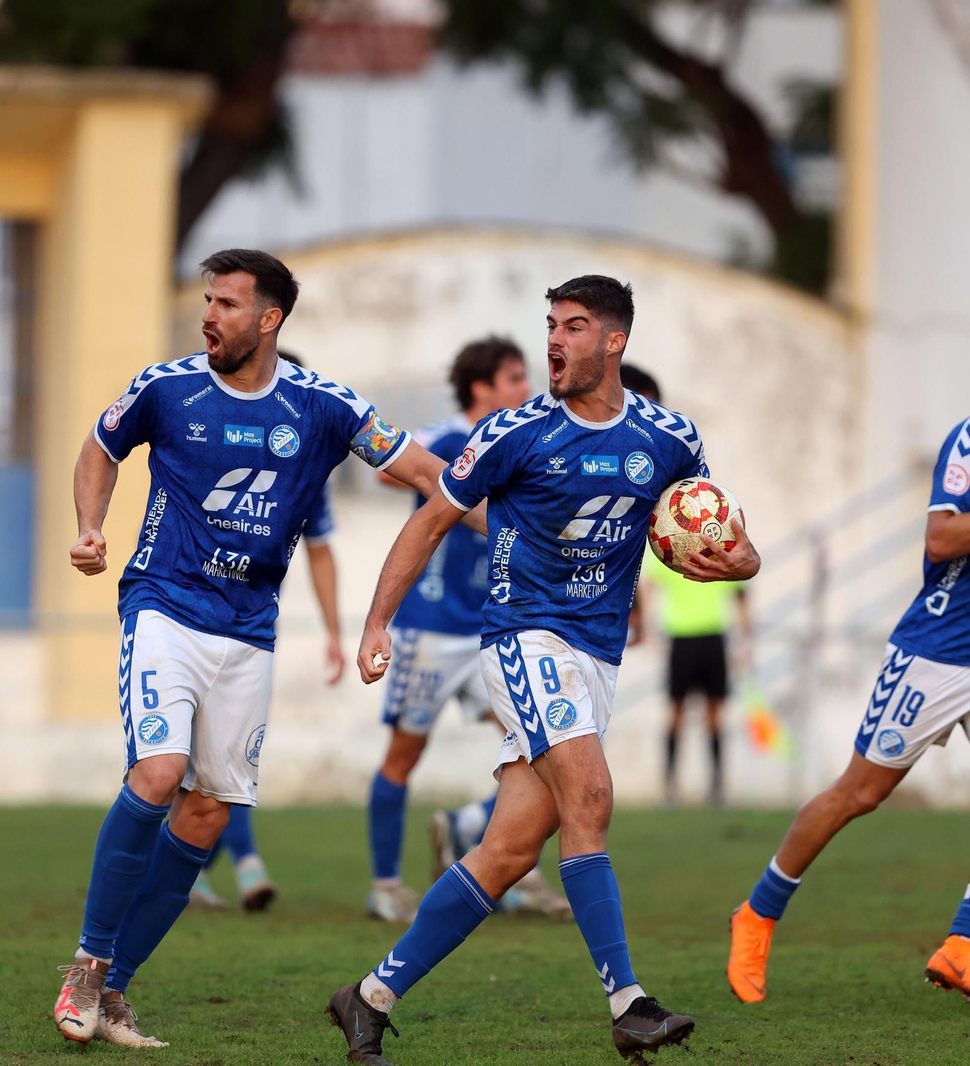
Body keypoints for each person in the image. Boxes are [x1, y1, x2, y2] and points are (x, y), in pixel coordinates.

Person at [326, 275, 760, 1064]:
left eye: (575, 325)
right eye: (550, 325)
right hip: (524, 638)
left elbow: (717, 532)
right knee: (591, 794)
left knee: (507, 852)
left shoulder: (670, 439)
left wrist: (737, 560)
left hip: (595, 656)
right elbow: (431, 519)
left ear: (615, 341)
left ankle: (369, 997)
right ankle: (629, 1002)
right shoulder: (514, 432)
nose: (555, 340)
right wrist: (376, 621)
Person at [55, 248, 474, 1048]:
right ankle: (86, 963)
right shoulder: (167, 387)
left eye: (227, 304)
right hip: (163, 606)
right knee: (159, 772)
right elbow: (100, 448)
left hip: (248, 631)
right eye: (207, 301)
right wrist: (89, 525)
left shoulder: (323, 406)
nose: (209, 316)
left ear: (270, 319)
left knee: (208, 814)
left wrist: (516, 528)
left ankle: (114, 991)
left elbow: (428, 471)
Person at [726, 310, 970, 1011]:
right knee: (858, 795)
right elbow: (942, 539)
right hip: (936, 651)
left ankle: (964, 946)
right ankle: (758, 913)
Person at [364, 336, 567, 923]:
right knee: (403, 757)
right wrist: (445, 473)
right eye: (513, 379)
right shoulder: (450, 437)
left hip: (491, 629)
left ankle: (480, 840)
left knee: (545, 750)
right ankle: (384, 884)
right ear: (481, 387)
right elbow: (386, 471)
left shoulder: (522, 440)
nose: (525, 389)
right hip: (429, 632)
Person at [189, 351, 346, 915]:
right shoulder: (207, 438)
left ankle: (197, 874)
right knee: (177, 767)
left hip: (251, 631)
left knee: (225, 763)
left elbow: (322, 552)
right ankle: (234, 865)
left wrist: (334, 633)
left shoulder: (308, 468)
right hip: (182, 620)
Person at [621, 364, 751, 808]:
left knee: (715, 715)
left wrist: (746, 638)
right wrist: (645, 621)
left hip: (714, 634)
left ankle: (716, 787)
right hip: (681, 635)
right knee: (676, 714)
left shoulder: (717, 537)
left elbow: (739, 590)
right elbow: (650, 583)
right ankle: (672, 788)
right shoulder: (669, 541)